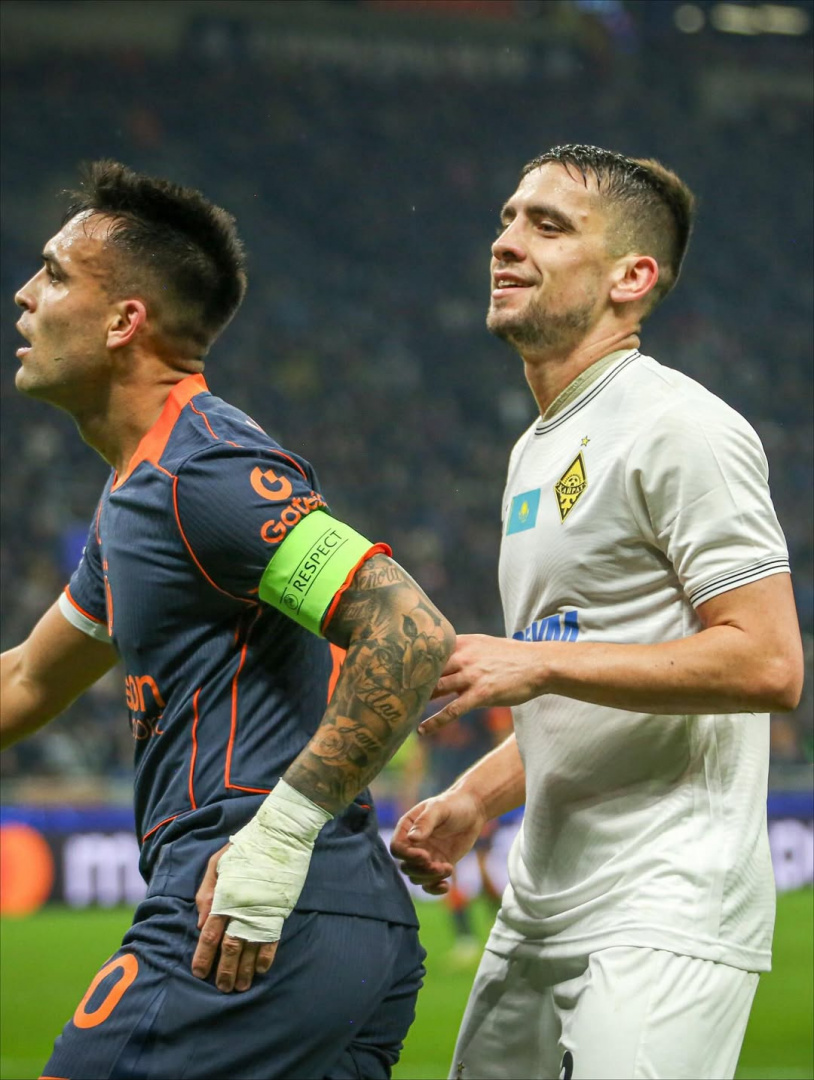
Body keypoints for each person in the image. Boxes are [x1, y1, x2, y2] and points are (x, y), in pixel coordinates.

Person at [1, 160, 455, 1080]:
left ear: (124, 322)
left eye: (53, 273)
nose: (24, 295)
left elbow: (411, 632)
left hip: (248, 908)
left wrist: (277, 842)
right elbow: (25, 680)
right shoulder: (136, 495)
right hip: (329, 920)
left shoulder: (203, 472)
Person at [391, 144, 804, 1080]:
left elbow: (769, 662)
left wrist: (536, 665)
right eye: (508, 218)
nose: (506, 242)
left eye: (548, 226)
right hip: (542, 900)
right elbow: (583, 682)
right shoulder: (536, 448)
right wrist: (474, 798)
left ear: (632, 278)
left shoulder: (681, 427)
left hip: (668, 904)